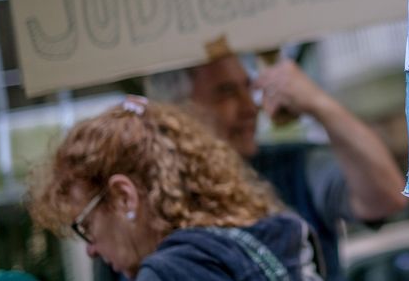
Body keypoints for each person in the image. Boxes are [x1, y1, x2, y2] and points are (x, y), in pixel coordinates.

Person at [145, 46, 407, 281]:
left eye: (247, 88)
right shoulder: (147, 204)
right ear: (176, 112)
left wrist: (319, 104)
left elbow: (388, 197)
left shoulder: (294, 165)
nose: (250, 106)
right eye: (226, 93)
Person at [28, 96, 323, 280]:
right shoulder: (271, 239)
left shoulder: (168, 272)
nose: (91, 249)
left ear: (124, 197)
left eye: (86, 226)